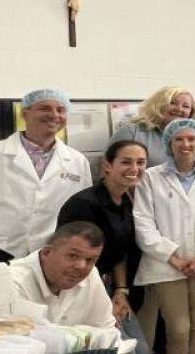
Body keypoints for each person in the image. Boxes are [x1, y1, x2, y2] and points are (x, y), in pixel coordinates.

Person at [132, 119, 195, 354]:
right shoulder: (151, 177)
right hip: (167, 265)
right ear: (169, 143)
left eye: (191, 139)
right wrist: (172, 257)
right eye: (178, 139)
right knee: (178, 328)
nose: (185, 144)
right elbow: (143, 222)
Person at [0, 88, 93, 258]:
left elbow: (80, 215)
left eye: (61, 110)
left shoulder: (77, 161)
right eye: (45, 108)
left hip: (46, 257)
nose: (54, 115)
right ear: (24, 114)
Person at [57, 140, 151, 353]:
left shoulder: (125, 201)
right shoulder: (85, 204)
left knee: (137, 347)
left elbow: (121, 250)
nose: (134, 169)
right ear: (107, 166)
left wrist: (120, 290)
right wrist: (104, 299)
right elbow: (75, 258)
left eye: (140, 162)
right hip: (82, 288)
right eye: (126, 162)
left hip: (113, 288)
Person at [8, 222, 119, 338]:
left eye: (90, 260)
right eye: (73, 256)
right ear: (47, 253)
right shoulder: (12, 280)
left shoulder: (91, 274)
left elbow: (108, 331)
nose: (81, 266)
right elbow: (15, 341)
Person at [110, 86, 195, 167]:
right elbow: (108, 169)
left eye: (186, 106)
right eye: (173, 103)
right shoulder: (131, 132)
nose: (179, 109)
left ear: (191, 113)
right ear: (158, 105)